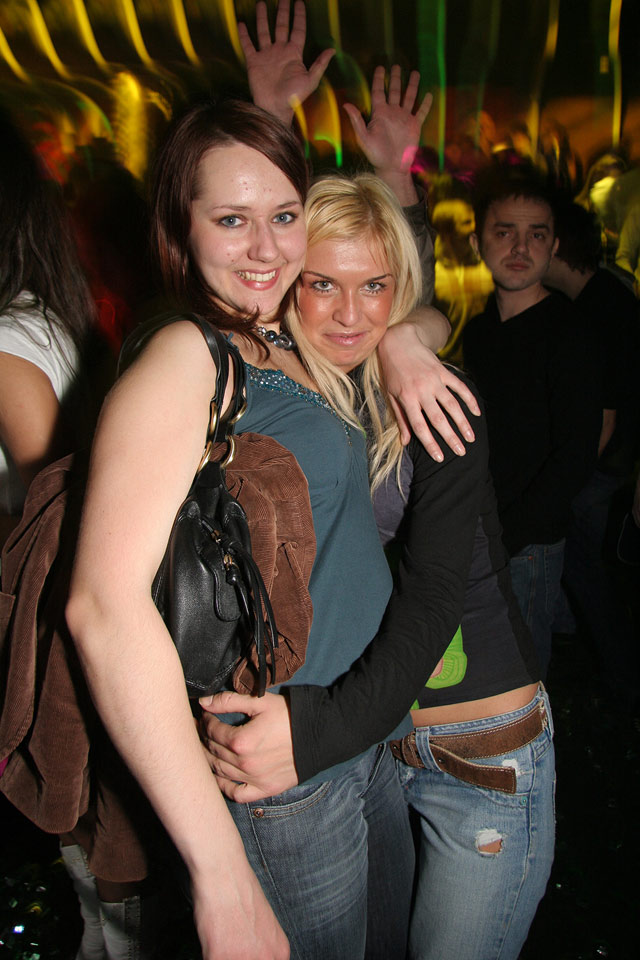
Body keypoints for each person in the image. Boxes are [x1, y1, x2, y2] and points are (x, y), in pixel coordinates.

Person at [66, 95, 478, 960]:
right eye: (230, 220)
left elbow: (378, 286)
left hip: (363, 738)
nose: (264, 247)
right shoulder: (188, 355)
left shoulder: (281, 339)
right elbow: (102, 609)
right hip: (284, 772)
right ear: (181, 230)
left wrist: (410, 333)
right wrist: (219, 876)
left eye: (283, 217)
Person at [200, 172, 555, 960]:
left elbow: (432, 598)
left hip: (479, 751)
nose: (351, 314)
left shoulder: (433, 398)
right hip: (380, 747)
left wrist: (313, 733)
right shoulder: (310, 394)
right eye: (323, 283)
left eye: (374, 288)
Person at [462, 171, 602, 677]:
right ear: (478, 242)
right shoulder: (480, 331)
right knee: (475, 669)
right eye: (505, 232)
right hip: (479, 533)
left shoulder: (570, 331)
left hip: (528, 545)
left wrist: (508, 536)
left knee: (518, 675)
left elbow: (577, 453)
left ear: (555, 245)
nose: (521, 247)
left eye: (537, 234)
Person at [544, 201, 640, 707]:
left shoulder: (597, 309)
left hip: (604, 465)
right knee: (585, 565)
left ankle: (622, 673)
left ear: (557, 245)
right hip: (615, 462)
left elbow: (605, 414)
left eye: (538, 237)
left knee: (585, 567)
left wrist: (573, 480)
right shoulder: (606, 294)